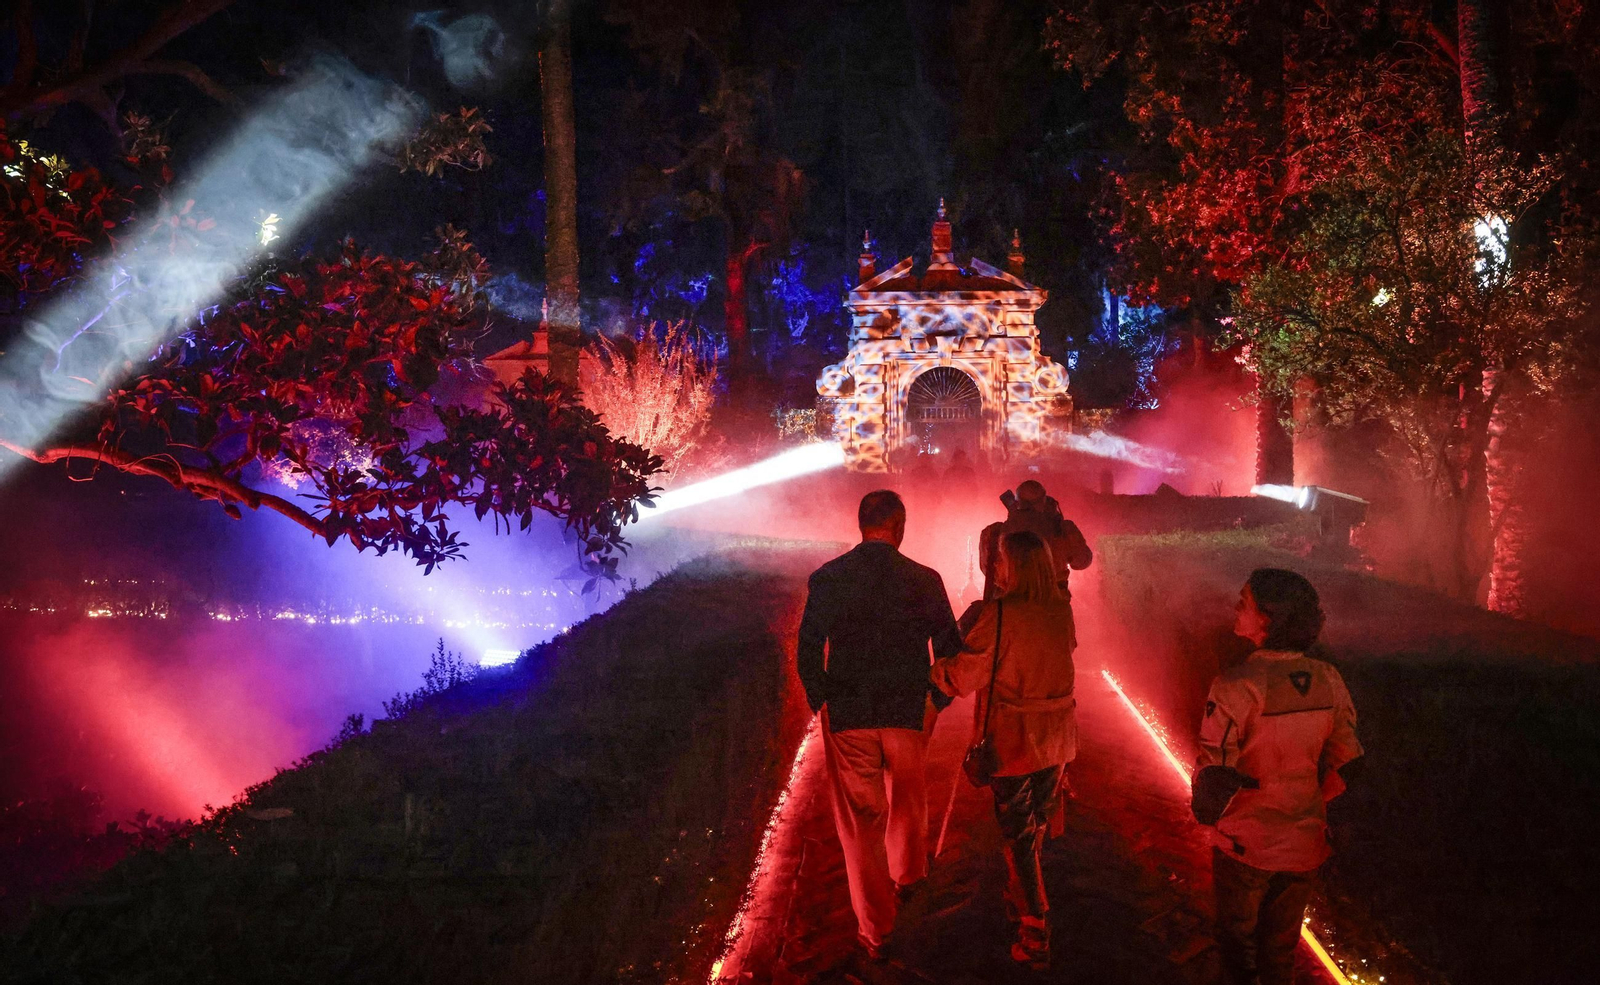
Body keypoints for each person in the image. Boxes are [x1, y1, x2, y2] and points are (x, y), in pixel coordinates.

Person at [797, 490, 962, 959]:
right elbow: (950, 650)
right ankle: (907, 875)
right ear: (900, 525)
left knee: (859, 823)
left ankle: (875, 928)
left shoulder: (828, 578)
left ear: (860, 524)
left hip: (849, 712)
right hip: (909, 709)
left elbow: (808, 648)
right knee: (909, 798)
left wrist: (822, 699)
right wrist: (936, 700)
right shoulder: (925, 580)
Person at [1196, 569, 1363, 985]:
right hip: (1304, 844)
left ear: (1268, 619)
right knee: (1280, 951)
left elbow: (1215, 775)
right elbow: (1348, 764)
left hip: (1245, 844)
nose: (1235, 608)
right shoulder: (1329, 680)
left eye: (1244, 603)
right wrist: (1310, 806)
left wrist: (1209, 819)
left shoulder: (1236, 685)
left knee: (1238, 948)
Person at [930, 531, 1077, 970]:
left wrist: (937, 673)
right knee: (1034, 824)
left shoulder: (998, 615)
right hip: (1057, 736)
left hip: (1015, 738)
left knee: (1016, 829)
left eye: (999, 561)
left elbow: (966, 675)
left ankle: (1034, 926)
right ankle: (1025, 893)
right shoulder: (1061, 612)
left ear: (1011, 568)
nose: (994, 567)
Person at [978, 479, 1091, 600]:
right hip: (1054, 606)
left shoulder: (994, 532)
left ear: (1016, 502)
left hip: (1008, 607)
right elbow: (1082, 561)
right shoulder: (1062, 529)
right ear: (1044, 501)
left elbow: (987, 571)